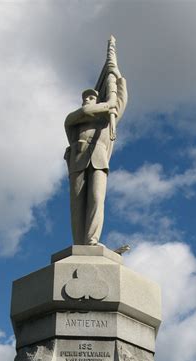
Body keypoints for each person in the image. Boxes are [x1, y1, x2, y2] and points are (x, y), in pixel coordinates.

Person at [64, 63, 128, 245]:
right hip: (77, 160)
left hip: (99, 160)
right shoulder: (73, 120)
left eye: (92, 97)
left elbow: (121, 100)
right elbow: (85, 112)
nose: (87, 99)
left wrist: (116, 74)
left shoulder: (107, 121)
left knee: (96, 200)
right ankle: (79, 243)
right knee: (77, 206)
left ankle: (91, 240)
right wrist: (107, 105)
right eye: (85, 97)